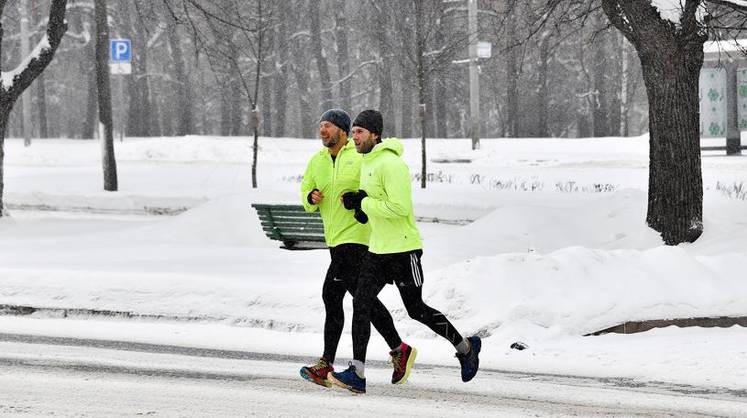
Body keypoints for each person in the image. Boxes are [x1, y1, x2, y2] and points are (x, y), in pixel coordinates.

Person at [328, 109, 481, 394]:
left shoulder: (391, 165)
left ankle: (466, 348)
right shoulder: (367, 163)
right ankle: (357, 373)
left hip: (404, 249)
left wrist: (364, 204)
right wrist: (357, 205)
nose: (354, 137)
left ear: (375, 134)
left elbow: (398, 209)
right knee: (361, 304)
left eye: (360, 132)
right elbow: (373, 205)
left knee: (416, 310)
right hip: (378, 250)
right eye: (354, 132)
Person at [299, 109, 414, 391]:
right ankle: (399, 349)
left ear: (342, 130)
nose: (323, 130)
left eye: (328, 126)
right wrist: (310, 197)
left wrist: (361, 203)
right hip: (335, 239)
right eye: (320, 126)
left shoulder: (359, 155)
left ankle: (328, 363)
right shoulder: (317, 161)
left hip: (359, 238)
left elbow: (374, 187)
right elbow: (306, 194)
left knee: (337, 295)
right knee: (360, 300)